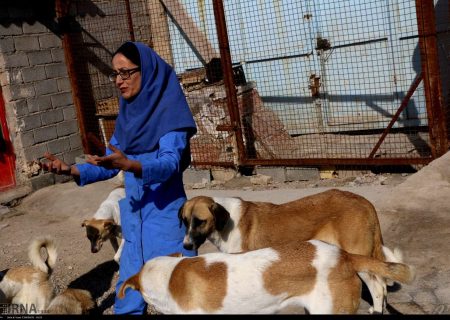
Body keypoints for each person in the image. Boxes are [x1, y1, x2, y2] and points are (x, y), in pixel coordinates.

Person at [41, 41, 197, 314]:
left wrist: (134, 164)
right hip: (133, 220)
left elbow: (170, 164)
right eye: (114, 74)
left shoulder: (170, 116)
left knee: (180, 294)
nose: (118, 81)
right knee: (127, 293)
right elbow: (111, 163)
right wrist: (71, 170)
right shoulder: (128, 118)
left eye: (126, 72)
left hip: (164, 219)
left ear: (147, 72)